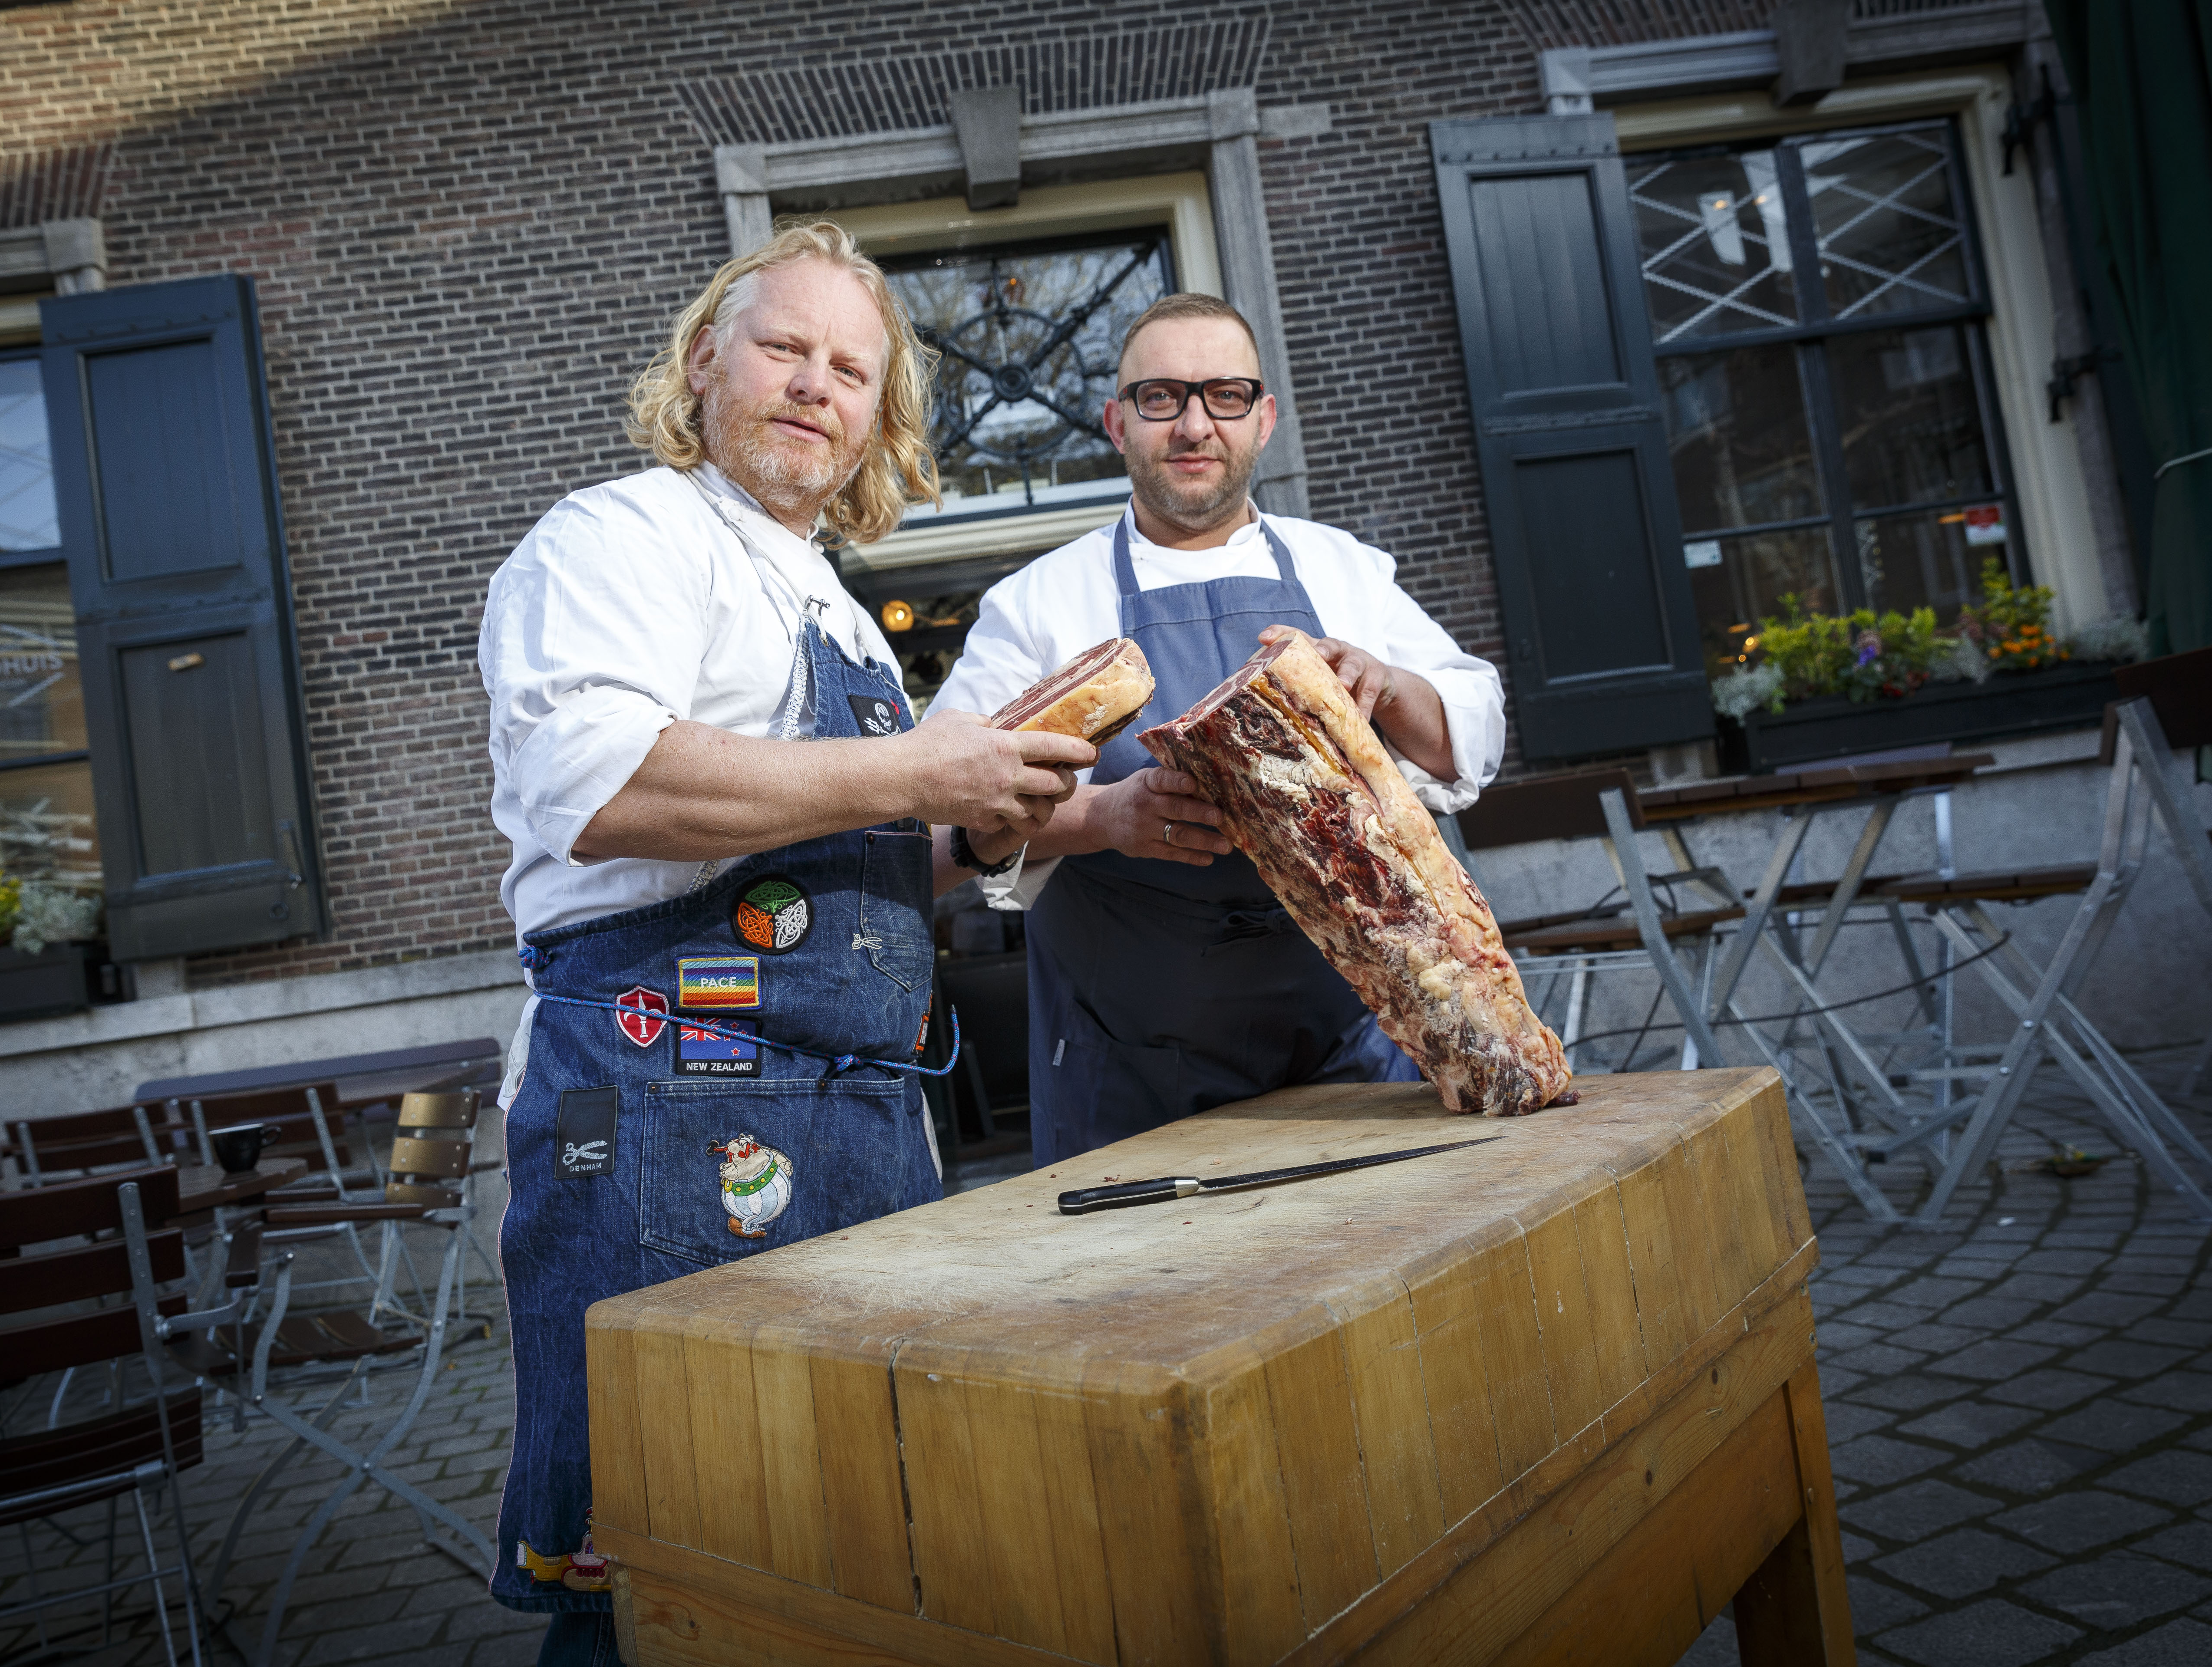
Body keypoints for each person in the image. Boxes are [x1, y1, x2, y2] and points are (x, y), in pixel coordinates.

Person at [477, 221, 1093, 1665]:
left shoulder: (844, 613)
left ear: (880, 415)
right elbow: (605, 787)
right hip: (629, 1101)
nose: (818, 385)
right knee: (654, 1568)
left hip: (858, 1112)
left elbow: (849, 848)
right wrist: (923, 773)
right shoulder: (620, 534)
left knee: (842, 1556)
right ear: (704, 362)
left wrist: (1065, 820)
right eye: (784, 347)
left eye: (852, 368)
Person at [926, 292, 1505, 1164]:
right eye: (1162, 398)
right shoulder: (1039, 605)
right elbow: (940, 816)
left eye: (1225, 396)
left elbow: (1475, 730)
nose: (1195, 425)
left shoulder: (1343, 569)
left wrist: (1387, 691)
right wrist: (1104, 819)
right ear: (1118, 423)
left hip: (1360, 1062)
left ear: (1263, 419)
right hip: (1130, 1087)